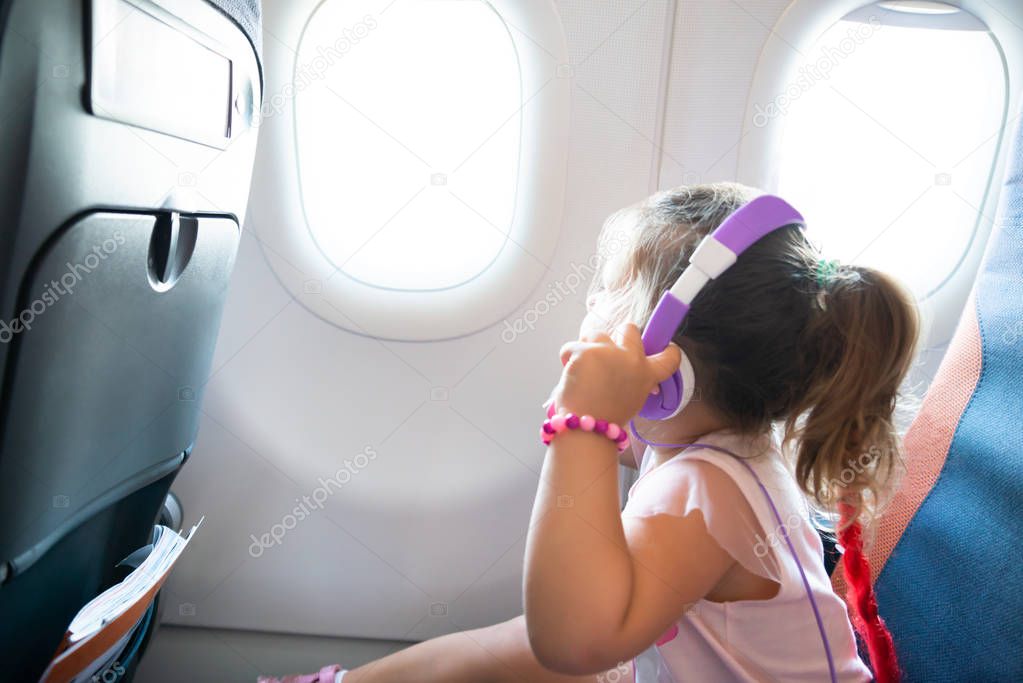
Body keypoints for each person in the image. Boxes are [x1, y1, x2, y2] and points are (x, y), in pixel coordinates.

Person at [260, 183, 917, 682]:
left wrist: (584, 425)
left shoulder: (702, 497)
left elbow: (567, 641)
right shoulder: (722, 449)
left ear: (669, 356)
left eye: (607, 292)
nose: (590, 309)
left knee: (549, 640)